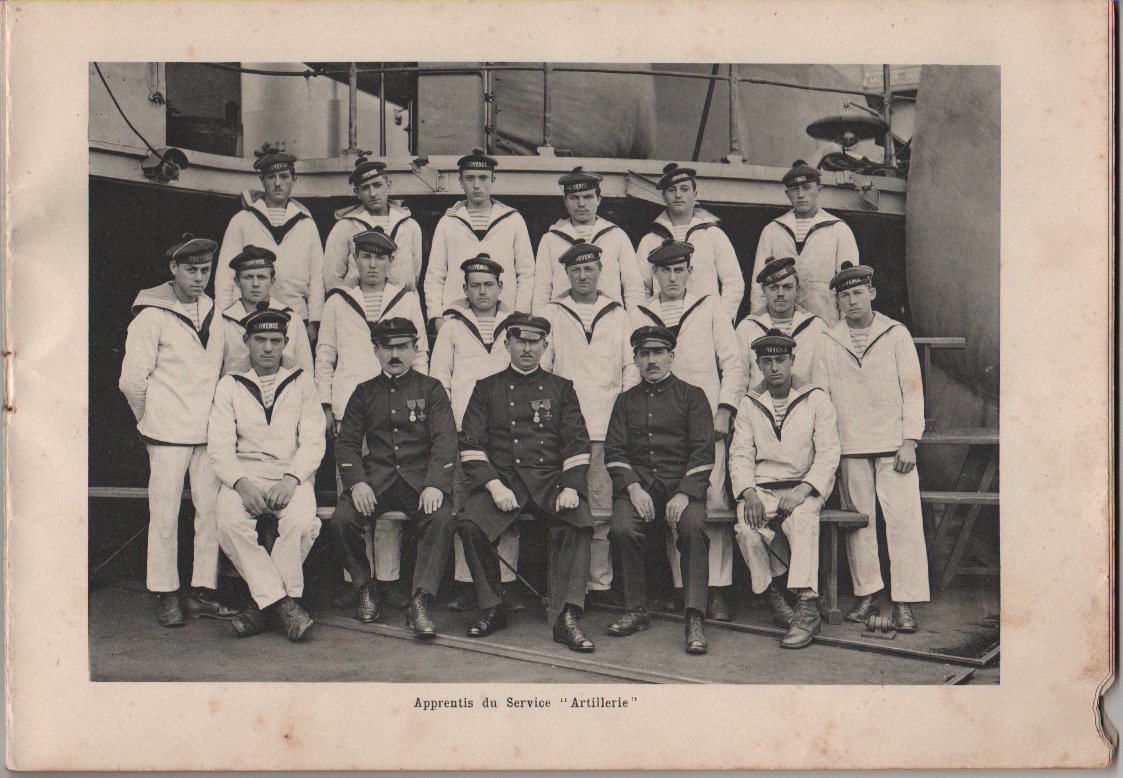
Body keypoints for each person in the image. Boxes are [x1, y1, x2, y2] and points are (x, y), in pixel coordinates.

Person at [456, 314, 597, 651]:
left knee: (579, 521)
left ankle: (567, 616)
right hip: (505, 481)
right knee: (470, 523)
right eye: (520, 341)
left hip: (549, 482)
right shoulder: (486, 388)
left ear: (545, 346)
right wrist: (493, 486)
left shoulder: (561, 388)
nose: (527, 349)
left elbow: (577, 441)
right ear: (507, 344)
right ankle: (493, 606)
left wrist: (571, 486)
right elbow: (471, 443)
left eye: (534, 342)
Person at [118, 233, 238, 627]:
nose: (199, 277)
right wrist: (149, 418)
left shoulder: (214, 311)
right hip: (166, 434)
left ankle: (202, 591)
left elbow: (223, 370)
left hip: (207, 433)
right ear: (173, 269)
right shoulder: (151, 315)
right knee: (165, 513)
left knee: (210, 512)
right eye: (191, 269)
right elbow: (131, 381)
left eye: (205, 269)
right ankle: (165, 592)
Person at [316, 228, 429, 610]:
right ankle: (358, 580)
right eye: (365, 257)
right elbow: (325, 356)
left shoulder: (406, 299)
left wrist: (420, 400)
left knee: (389, 503)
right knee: (356, 497)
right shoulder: (338, 301)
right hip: (350, 409)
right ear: (355, 260)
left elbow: (420, 354)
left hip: (396, 410)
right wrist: (327, 405)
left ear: (391, 261)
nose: (373, 265)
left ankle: (388, 580)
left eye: (380, 258)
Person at [812, 262, 928, 631]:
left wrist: (910, 441)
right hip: (850, 446)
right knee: (859, 524)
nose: (851, 301)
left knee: (904, 521)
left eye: (858, 293)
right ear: (838, 301)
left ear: (872, 294)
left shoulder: (895, 333)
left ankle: (905, 600)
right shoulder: (828, 340)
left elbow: (913, 392)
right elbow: (821, 398)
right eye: (844, 295)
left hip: (894, 446)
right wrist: (829, 448)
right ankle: (869, 594)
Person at [632, 240, 743, 620]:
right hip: (660, 427)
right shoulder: (640, 312)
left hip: (705, 424)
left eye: (679, 270)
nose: (672, 278)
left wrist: (725, 409)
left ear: (690, 273)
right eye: (665, 271)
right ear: (654, 274)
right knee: (672, 503)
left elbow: (732, 362)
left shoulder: (709, 306)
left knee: (713, 501)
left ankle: (718, 588)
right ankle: (684, 588)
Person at [331, 318, 458, 638]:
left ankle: (421, 600)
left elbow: (445, 440)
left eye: (402, 347)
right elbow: (346, 444)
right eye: (387, 347)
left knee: (441, 518)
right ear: (376, 351)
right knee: (342, 519)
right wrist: (357, 482)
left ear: (415, 349)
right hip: (377, 481)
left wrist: (435, 483)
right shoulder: (364, 392)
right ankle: (365, 586)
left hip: (419, 482)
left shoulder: (431, 389)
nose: (395, 354)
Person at [208, 306, 325, 641]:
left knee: (301, 522)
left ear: (286, 342)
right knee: (228, 522)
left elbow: (314, 440)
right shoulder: (229, 383)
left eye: (276, 340)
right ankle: (284, 604)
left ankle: (261, 606)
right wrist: (241, 484)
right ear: (246, 341)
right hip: (245, 475)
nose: (268, 348)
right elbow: (219, 447)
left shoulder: (302, 380)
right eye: (260, 340)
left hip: (291, 474)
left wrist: (292, 479)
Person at [605, 326, 714, 654]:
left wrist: (684, 493)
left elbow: (703, 451)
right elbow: (615, 450)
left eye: (658, 353)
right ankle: (636, 608)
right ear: (636, 360)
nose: (651, 360)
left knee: (693, 528)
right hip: (639, 486)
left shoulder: (692, 396)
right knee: (622, 528)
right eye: (644, 354)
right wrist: (633, 488)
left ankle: (694, 616)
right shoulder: (625, 401)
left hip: (682, 487)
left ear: (671, 356)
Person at [540, 241, 640, 602]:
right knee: (567, 508)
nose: (583, 276)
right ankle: (568, 585)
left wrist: (622, 417)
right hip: (563, 432)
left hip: (605, 427)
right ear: (566, 274)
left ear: (600, 271)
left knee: (600, 510)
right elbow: (544, 369)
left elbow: (630, 367)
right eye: (576, 270)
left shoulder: (618, 314)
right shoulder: (552, 312)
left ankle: (599, 584)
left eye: (589, 269)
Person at [728, 328, 840, 649]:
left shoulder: (815, 397)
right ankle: (773, 593)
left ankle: (806, 605)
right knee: (747, 529)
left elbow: (829, 452)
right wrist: (748, 492)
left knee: (802, 520)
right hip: (762, 486)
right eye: (767, 362)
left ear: (792, 360)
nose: (774, 367)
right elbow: (740, 454)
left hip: (804, 484)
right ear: (759, 365)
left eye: (780, 360)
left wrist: (804, 489)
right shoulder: (750, 403)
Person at [428, 255, 521, 610]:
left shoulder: (514, 326)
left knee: (505, 508)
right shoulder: (452, 327)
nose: (482, 292)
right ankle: (467, 584)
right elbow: (440, 381)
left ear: (500, 287)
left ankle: (506, 584)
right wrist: (449, 426)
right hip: (463, 432)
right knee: (464, 507)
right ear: (465, 289)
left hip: (505, 433)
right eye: (475, 286)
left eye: (489, 285)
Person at [215, 149, 325, 343]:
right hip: (248, 317)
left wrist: (314, 321)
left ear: (294, 179)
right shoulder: (242, 219)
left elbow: (317, 276)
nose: (277, 183)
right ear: (261, 179)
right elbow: (225, 273)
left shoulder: (306, 224)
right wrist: (225, 315)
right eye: (271, 177)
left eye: (284, 176)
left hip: (295, 315)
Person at [424, 149, 534, 332]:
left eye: (483, 178)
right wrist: (436, 317)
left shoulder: (513, 220)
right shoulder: (448, 222)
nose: (476, 185)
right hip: (457, 319)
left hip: (504, 321)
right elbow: (435, 275)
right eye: (469, 178)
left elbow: (526, 273)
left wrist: (519, 315)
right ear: (460, 182)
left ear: (493, 180)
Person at [749, 160, 859, 325]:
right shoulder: (772, 230)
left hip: (826, 323)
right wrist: (758, 324)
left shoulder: (838, 229)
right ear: (787, 193)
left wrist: (845, 329)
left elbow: (848, 284)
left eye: (807, 188)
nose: (801, 195)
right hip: (781, 325)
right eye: (795, 189)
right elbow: (759, 286)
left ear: (819, 190)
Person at [635, 163, 744, 322]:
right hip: (664, 325)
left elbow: (734, 283)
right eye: (671, 190)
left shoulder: (713, 235)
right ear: (664, 197)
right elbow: (640, 287)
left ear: (695, 194)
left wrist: (718, 320)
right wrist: (649, 320)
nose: (678, 195)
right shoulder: (650, 240)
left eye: (684, 189)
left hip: (705, 324)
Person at [530, 166, 643, 314]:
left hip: (609, 320)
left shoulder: (617, 236)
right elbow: (542, 292)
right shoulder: (550, 239)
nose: (581, 204)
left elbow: (633, 288)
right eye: (574, 198)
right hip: (563, 320)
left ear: (599, 199)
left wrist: (634, 324)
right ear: (565, 201)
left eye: (588, 197)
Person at [322, 156, 424, 294]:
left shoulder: (409, 226)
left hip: (401, 302)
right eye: (365, 188)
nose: (373, 193)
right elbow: (332, 277)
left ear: (388, 185)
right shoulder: (344, 227)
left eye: (377, 185)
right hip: (359, 303)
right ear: (357, 193)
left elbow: (414, 273)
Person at [219, 245, 313, 375]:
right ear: (237, 281)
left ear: (272, 281)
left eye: (261, 277)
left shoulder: (292, 320)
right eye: (248, 277)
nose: (255, 284)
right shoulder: (223, 322)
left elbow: (306, 370)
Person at [735, 256, 825, 390]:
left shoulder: (816, 326)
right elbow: (739, 380)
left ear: (797, 289)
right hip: (760, 401)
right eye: (774, 287)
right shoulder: (747, 327)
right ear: (764, 290)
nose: (780, 293)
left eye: (787, 287)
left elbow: (822, 379)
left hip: (804, 401)